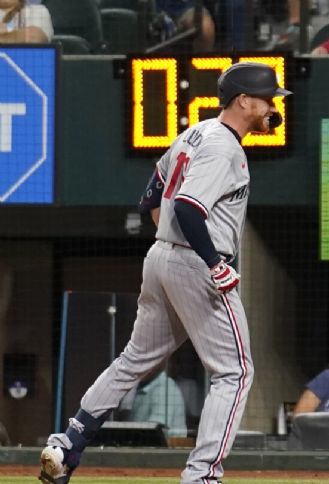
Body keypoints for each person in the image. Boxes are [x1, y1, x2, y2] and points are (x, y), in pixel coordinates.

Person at [38, 62, 291, 484]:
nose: (273, 107)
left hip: (163, 258)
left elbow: (152, 194)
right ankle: (202, 475)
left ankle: (68, 444)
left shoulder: (193, 133)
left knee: (133, 360)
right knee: (236, 371)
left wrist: (171, 245)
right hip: (195, 261)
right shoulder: (225, 146)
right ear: (243, 100)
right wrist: (211, 262)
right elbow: (191, 208)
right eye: (268, 99)